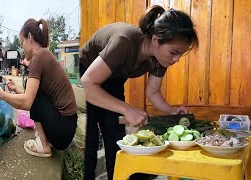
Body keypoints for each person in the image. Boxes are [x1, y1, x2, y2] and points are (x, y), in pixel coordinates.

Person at [79, 5, 199, 180]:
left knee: (115, 138)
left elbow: (154, 92)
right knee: (89, 139)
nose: (176, 59)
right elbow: (88, 84)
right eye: (174, 52)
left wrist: (170, 111)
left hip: (114, 79)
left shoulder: (160, 58)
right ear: (156, 40)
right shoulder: (124, 41)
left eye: (180, 54)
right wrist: (127, 109)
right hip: (88, 74)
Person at [0, 18, 77, 157]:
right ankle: (46, 140)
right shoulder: (43, 54)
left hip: (62, 130)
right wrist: (16, 90)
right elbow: (34, 96)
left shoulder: (38, 57)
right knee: (34, 96)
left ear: (29, 37)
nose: (22, 48)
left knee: (33, 98)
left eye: (22, 42)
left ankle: (44, 146)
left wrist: (2, 95)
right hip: (66, 127)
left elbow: (28, 102)